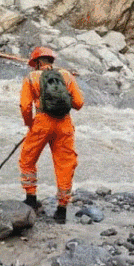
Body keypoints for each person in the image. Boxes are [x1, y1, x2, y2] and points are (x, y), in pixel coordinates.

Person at [18, 46, 84, 223]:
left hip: (41, 123)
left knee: (27, 159)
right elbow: (79, 103)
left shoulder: (31, 78)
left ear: (38, 62)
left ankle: (31, 199)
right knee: (65, 165)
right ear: (51, 60)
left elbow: (25, 106)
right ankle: (62, 209)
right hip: (64, 123)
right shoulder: (67, 76)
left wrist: (30, 124)